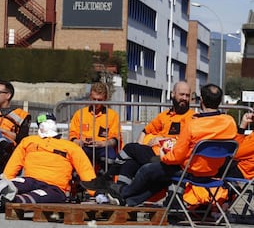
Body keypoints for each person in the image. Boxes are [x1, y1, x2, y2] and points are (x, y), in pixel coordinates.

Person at [82, 83, 238, 207]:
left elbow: (176, 157)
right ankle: (127, 200)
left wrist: (163, 156)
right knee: (157, 174)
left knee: (148, 169)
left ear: (201, 101)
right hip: (213, 172)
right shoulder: (230, 123)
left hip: (189, 171)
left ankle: (121, 192)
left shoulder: (194, 124)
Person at [83, 81, 195, 190]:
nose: (184, 98)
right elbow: (146, 130)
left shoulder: (192, 118)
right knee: (130, 163)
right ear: (173, 94)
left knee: (130, 148)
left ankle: (106, 178)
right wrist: (140, 146)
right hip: (153, 152)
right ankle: (118, 191)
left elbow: (187, 140)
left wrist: (163, 140)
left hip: (168, 158)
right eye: (182, 94)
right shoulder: (164, 116)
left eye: (187, 95)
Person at [3, 113, 96, 203]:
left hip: (54, 187)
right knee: (5, 186)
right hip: (30, 180)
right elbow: (13, 164)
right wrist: (5, 180)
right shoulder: (28, 141)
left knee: (35, 197)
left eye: (49, 122)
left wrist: (95, 192)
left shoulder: (70, 146)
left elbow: (85, 169)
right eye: (44, 122)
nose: (47, 125)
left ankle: (8, 201)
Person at [69, 82, 121, 172]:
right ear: (90, 96)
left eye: (99, 100)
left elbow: (115, 139)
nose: (96, 103)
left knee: (110, 157)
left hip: (103, 147)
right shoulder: (80, 114)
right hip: (84, 147)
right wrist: (80, 142)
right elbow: (72, 135)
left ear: (105, 99)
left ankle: (104, 181)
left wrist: (103, 143)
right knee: (75, 155)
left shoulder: (112, 115)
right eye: (94, 99)